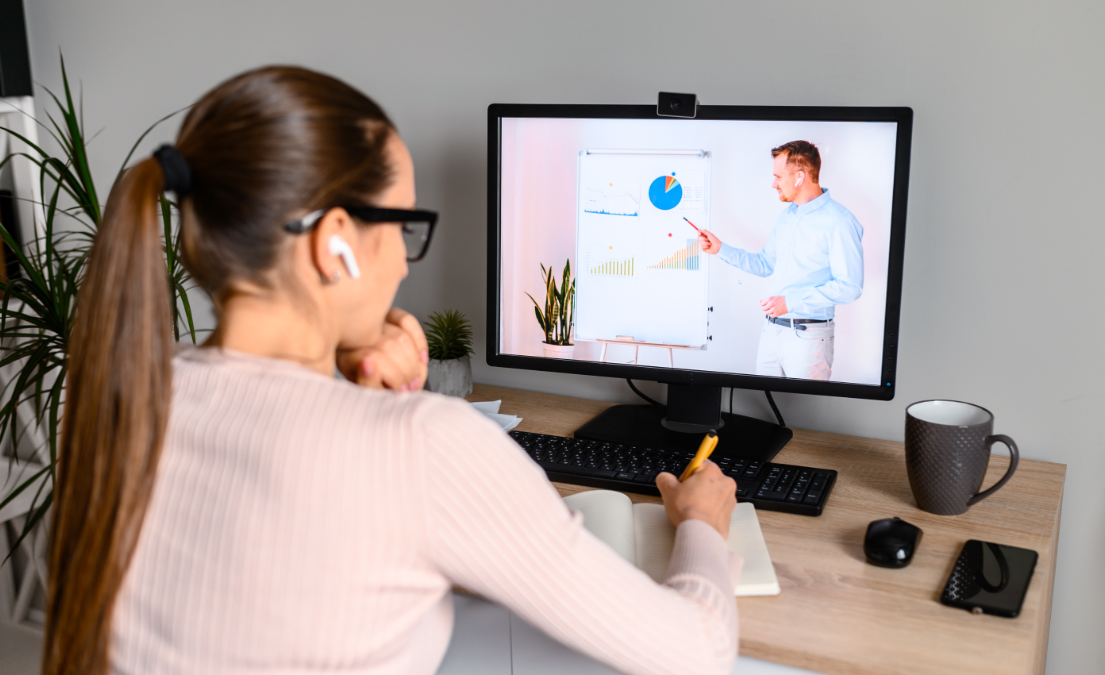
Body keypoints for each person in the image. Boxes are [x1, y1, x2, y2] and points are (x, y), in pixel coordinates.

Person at [43, 66, 741, 675]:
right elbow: (700, 650)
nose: (407, 262)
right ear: (336, 243)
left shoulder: (113, 395)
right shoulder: (420, 446)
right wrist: (703, 523)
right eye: (403, 227)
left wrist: (347, 382)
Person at [698, 141, 864, 380]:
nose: (773, 184)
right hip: (771, 332)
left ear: (799, 177)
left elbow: (850, 287)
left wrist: (791, 302)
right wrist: (720, 249)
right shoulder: (787, 217)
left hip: (809, 337)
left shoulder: (840, 222)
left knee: (803, 411)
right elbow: (766, 264)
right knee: (764, 404)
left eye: (778, 176)